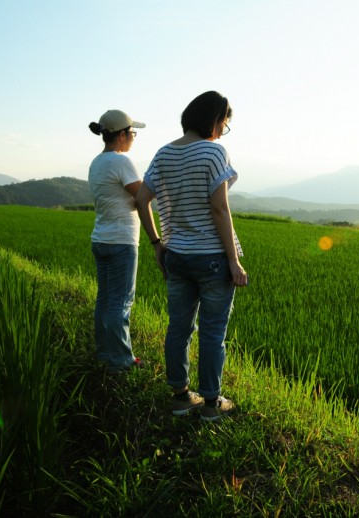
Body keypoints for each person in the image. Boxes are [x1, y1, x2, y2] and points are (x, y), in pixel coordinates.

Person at [136, 91, 248, 422]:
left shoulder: (163, 154)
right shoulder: (214, 152)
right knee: (213, 332)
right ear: (215, 119)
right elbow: (219, 208)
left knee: (179, 327)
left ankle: (181, 397)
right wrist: (233, 259)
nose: (223, 129)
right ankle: (213, 404)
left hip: (177, 257)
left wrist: (157, 244)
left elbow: (142, 200)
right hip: (211, 257)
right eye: (225, 122)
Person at [88, 109, 146, 373]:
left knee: (105, 300)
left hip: (101, 238)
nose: (133, 138)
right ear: (122, 135)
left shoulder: (96, 163)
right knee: (121, 303)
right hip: (122, 240)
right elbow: (145, 195)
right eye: (132, 133)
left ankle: (104, 354)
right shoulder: (122, 162)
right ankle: (121, 361)